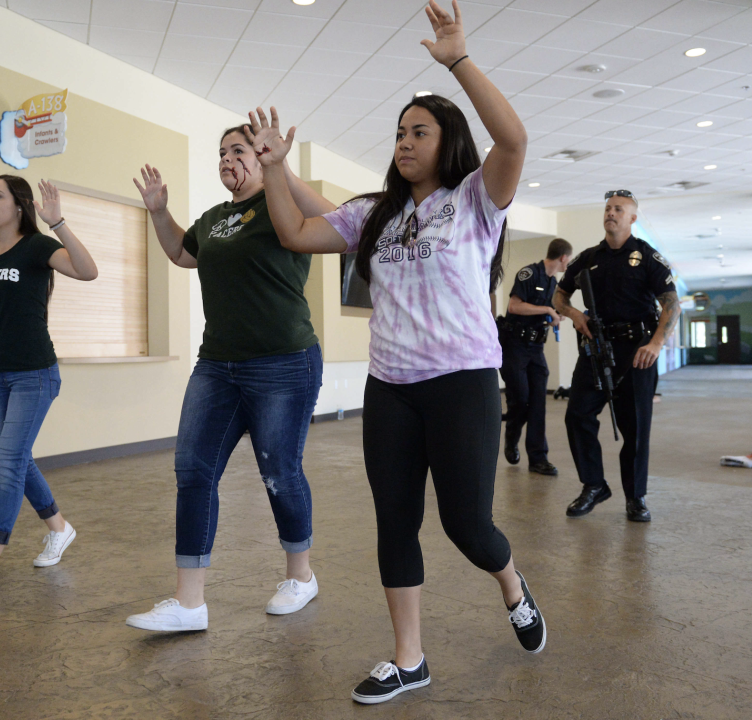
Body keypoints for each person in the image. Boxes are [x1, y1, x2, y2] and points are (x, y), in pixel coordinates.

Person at [247, 0, 545, 704]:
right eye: (400, 132)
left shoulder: (476, 200)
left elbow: (514, 139)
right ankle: (409, 658)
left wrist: (459, 62)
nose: (405, 141)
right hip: (392, 388)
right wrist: (275, 169)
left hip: (463, 381)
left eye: (420, 131)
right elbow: (294, 233)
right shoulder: (372, 213)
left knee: (467, 525)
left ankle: (511, 582)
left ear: (448, 141)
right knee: (395, 521)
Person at [124, 124, 335, 634]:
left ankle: (300, 576)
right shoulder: (215, 219)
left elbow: (336, 220)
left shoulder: (281, 204)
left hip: (284, 361)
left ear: (261, 156)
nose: (226, 159)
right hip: (217, 364)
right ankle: (189, 602)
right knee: (193, 468)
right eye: (221, 152)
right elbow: (181, 253)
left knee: (280, 470)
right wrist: (157, 212)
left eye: (237, 150)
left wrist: (281, 167)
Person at [0, 176, 99, 588]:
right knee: (16, 458)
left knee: (7, 462)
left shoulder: (37, 247)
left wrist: (58, 222)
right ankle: (59, 528)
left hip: (34, 373)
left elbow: (88, 270)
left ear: (19, 206)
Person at [553, 189, 681, 523]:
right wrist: (573, 314)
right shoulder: (588, 257)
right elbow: (559, 295)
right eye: (608, 208)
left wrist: (655, 345)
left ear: (632, 218)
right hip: (596, 349)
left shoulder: (647, 257)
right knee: (577, 416)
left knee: (636, 428)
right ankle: (594, 485)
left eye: (619, 209)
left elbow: (671, 304)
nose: (611, 213)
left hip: (637, 352)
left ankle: (635, 497)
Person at [498, 238, 572, 476]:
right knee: (520, 400)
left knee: (538, 404)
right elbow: (514, 307)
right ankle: (511, 437)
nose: (568, 263)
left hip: (536, 349)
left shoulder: (553, 282)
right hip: (515, 346)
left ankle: (538, 459)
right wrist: (547, 310)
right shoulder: (529, 273)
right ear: (563, 258)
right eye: (568, 260)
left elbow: (548, 311)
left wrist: (556, 316)